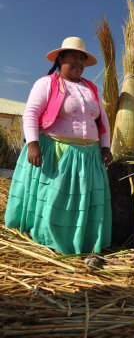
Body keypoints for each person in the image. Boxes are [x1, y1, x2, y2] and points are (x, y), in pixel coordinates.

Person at [4, 37, 112, 255]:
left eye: (82, 60)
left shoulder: (91, 88)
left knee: (83, 199)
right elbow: (31, 113)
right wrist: (33, 143)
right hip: (57, 150)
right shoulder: (47, 83)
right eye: (73, 58)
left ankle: (83, 240)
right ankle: (51, 239)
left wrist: (106, 147)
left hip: (87, 156)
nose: (79, 64)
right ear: (60, 59)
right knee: (56, 199)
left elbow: (103, 120)